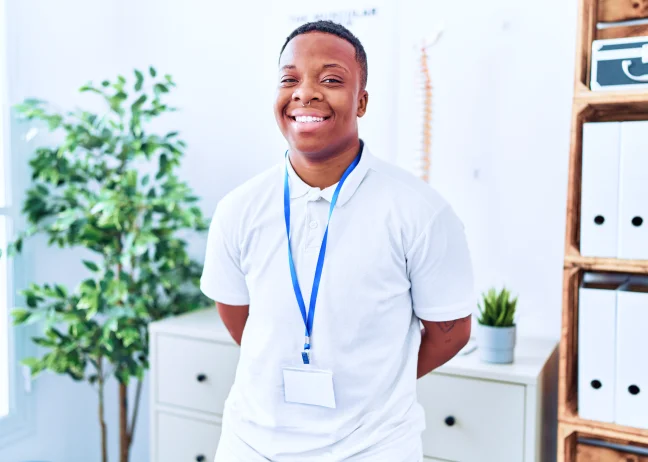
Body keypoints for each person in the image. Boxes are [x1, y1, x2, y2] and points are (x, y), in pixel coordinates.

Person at [200, 19, 475, 462]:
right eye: (289, 79)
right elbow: (239, 318)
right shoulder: (238, 209)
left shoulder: (421, 212)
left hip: (372, 448)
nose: (305, 93)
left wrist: (374, 386)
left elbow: (450, 332)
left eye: (330, 79)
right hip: (250, 445)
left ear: (362, 101)